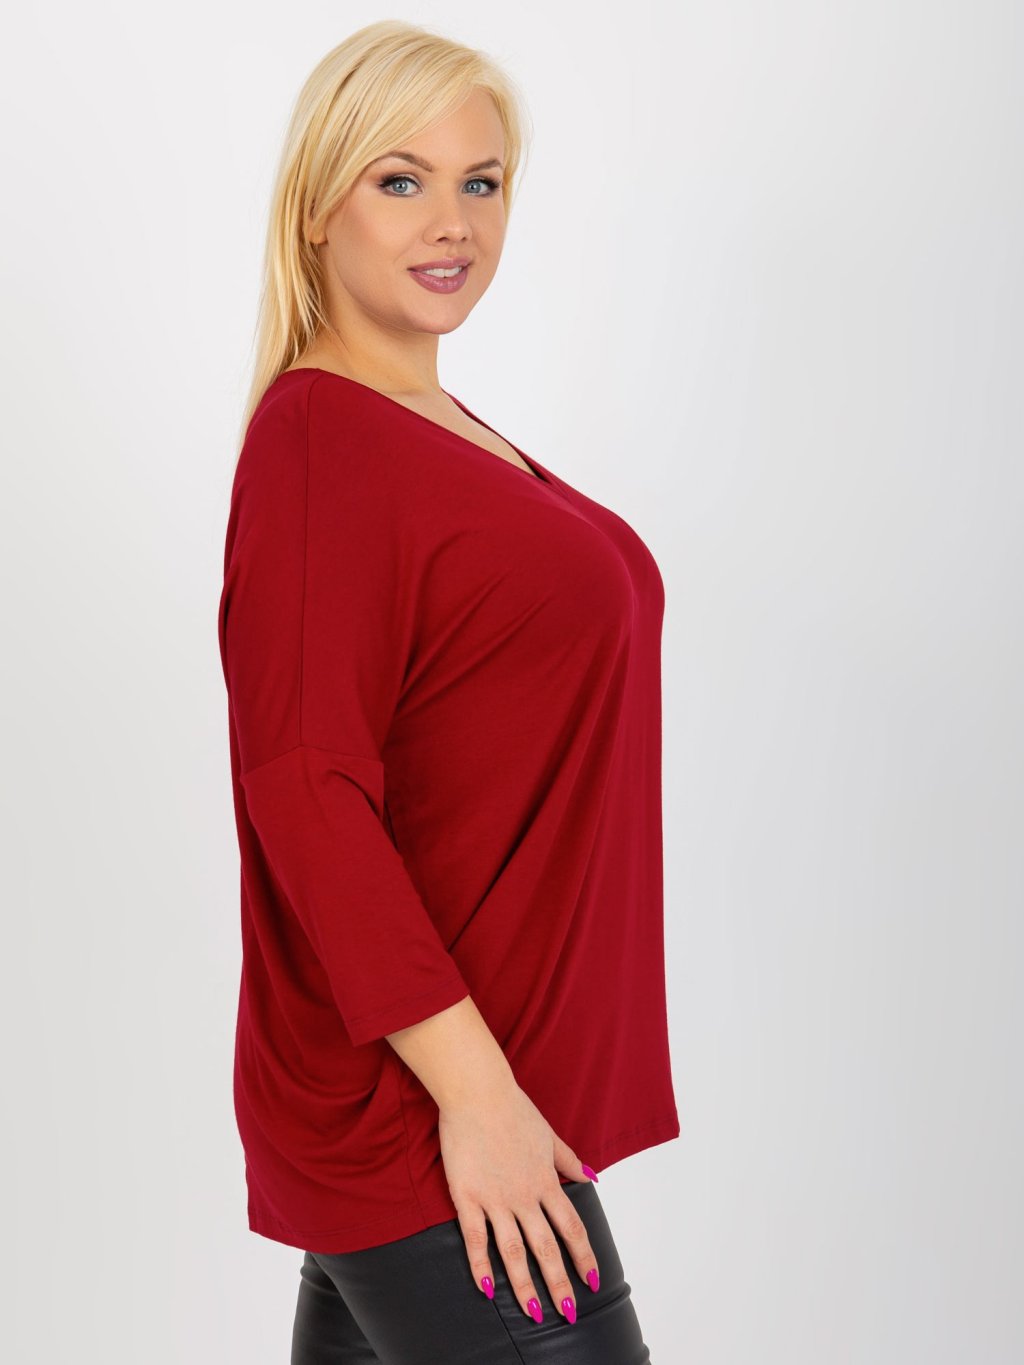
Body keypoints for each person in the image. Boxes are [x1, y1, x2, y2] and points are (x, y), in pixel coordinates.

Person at [217, 19, 680, 1363]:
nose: (453, 222)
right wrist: (476, 1100)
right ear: (320, 206)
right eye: (400, 179)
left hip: (470, 1099)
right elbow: (307, 789)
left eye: (481, 182)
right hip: (431, 1117)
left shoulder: (433, 427)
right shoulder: (320, 438)